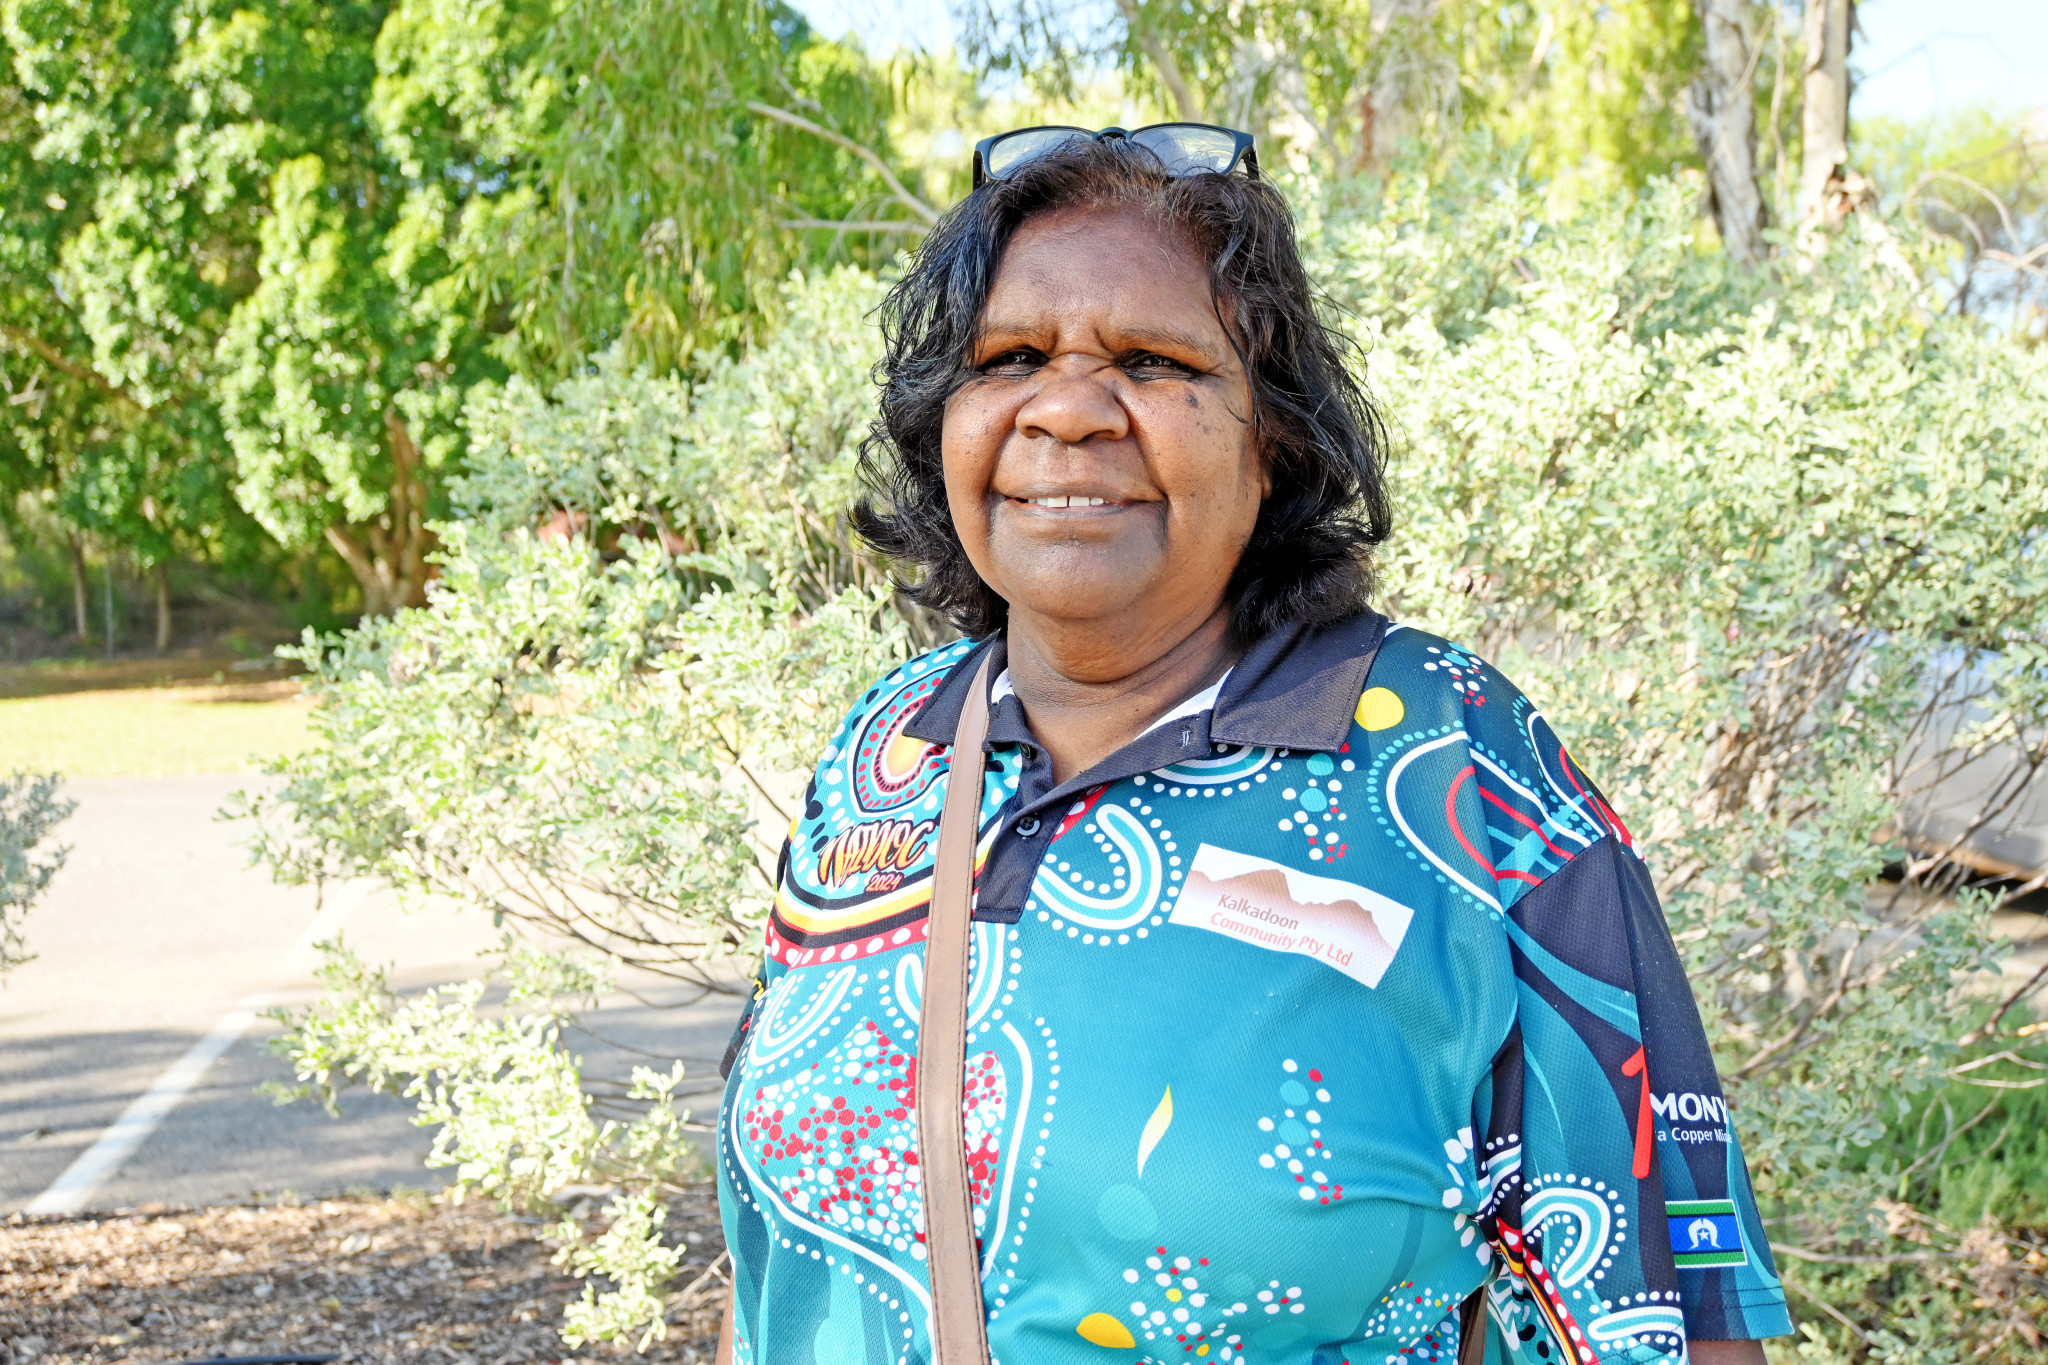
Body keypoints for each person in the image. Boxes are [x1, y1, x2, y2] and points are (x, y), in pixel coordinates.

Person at [714, 125, 1789, 1365]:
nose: (1066, 408)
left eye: (1151, 360)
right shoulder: (884, 750)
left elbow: (1669, 1308)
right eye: (1008, 357)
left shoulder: (1453, 765)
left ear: (1272, 440)